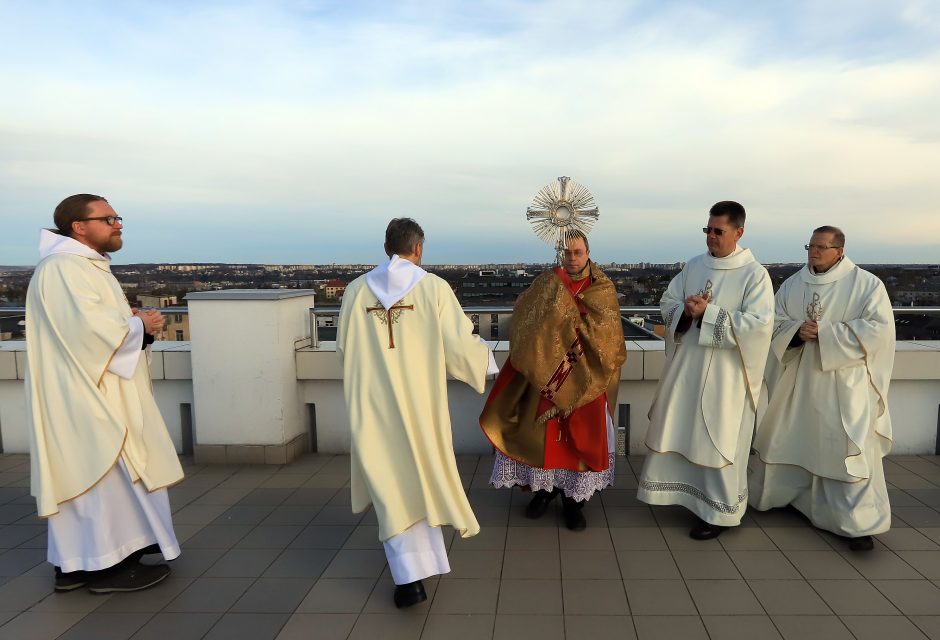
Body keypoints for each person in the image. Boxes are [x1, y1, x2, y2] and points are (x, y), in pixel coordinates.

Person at [25, 194, 184, 593]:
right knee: (102, 475)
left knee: (98, 477)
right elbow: (90, 335)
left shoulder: (82, 267)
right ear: (79, 226)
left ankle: (78, 564)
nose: (118, 224)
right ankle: (105, 568)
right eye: (108, 218)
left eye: (117, 217)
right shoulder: (65, 268)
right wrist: (141, 325)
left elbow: (90, 325)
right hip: (88, 395)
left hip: (93, 387)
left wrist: (131, 323)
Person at [337, 218, 497, 609]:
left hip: (373, 406)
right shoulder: (434, 289)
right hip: (419, 407)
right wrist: (490, 367)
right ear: (419, 248)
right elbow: (460, 345)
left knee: (390, 482)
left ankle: (409, 574)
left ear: (387, 247)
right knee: (420, 476)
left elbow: (343, 346)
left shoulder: (356, 292)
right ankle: (411, 575)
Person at [749, 226, 894, 551]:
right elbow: (774, 321)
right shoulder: (793, 283)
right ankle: (791, 497)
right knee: (794, 436)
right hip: (800, 379)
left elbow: (879, 331)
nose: (813, 253)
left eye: (821, 247)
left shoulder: (867, 285)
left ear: (839, 251)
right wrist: (797, 332)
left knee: (842, 445)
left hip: (844, 383)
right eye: (810, 246)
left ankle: (855, 523)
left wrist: (827, 333)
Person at [637, 201, 773, 539]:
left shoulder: (755, 275)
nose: (711, 237)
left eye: (718, 231)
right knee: (682, 430)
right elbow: (667, 303)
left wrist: (709, 314)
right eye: (708, 230)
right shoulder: (694, 266)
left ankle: (719, 513)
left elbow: (759, 326)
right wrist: (685, 311)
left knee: (719, 439)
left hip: (726, 378)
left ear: (738, 232)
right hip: (688, 369)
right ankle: (683, 497)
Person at [480, 231, 626, 530]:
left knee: (578, 442)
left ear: (588, 252)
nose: (572, 258)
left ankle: (574, 502)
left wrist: (570, 325)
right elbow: (524, 319)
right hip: (549, 377)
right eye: (567, 252)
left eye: (578, 252)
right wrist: (552, 323)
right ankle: (545, 492)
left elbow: (608, 336)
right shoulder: (546, 283)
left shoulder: (603, 288)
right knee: (544, 439)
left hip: (586, 379)